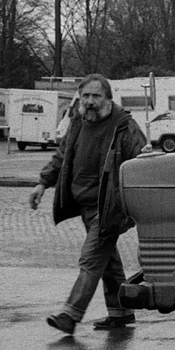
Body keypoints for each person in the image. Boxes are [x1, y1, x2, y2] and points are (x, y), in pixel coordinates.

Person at [28, 74, 147, 334]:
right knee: (108, 261)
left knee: (91, 258)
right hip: (84, 205)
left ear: (108, 99)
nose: (90, 102)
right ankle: (121, 312)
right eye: (86, 96)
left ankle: (70, 315)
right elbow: (63, 155)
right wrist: (42, 183)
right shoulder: (79, 122)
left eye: (96, 96)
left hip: (108, 208)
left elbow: (141, 162)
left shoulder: (124, 126)